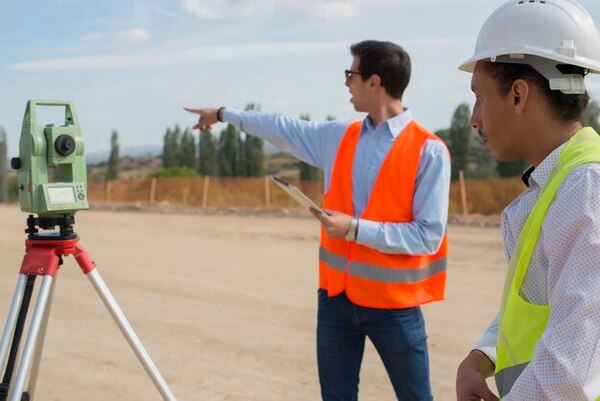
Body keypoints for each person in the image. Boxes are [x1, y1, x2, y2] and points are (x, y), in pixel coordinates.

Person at [185, 39, 450, 401]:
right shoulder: (340, 136)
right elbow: (282, 128)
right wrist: (223, 113)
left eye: (350, 74)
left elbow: (427, 237)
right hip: (336, 301)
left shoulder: (429, 151)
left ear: (375, 82)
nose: (346, 82)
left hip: (395, 307)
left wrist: (354, 229)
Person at [455, 1, 600, 400]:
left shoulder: (586, 191)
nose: (474, 119)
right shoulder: (560, 184)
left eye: (480, 97)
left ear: (518, 95)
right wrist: (481, 358)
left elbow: (568, 373)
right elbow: (543, 303)